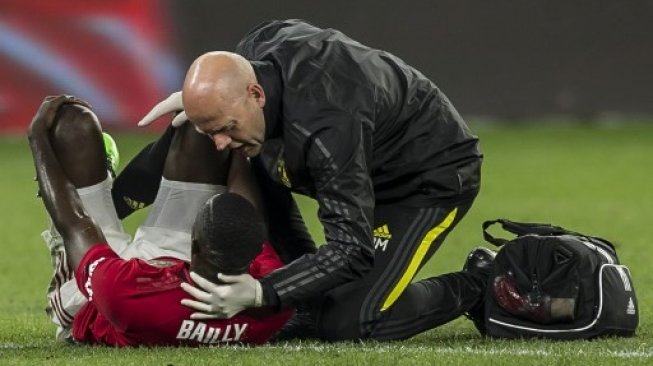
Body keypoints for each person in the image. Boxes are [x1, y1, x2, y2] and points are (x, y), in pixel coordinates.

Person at [122, 19, 490, 341]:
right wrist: (202, 105)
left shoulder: (327, 128)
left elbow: (351, 248)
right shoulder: (253, 60)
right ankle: (308, 302)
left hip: (426, 178)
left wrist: (262, 292)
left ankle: (480, 282)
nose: (220, 142)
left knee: (349, 322)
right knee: (247, 156)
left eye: (227, 126)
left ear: (256, 94)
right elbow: (187, 138)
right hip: (361, 153)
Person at [29, 95, 292, 346]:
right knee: (202, 125)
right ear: (256, 246)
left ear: (195, 242)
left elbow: (74, 223)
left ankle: (99, 178)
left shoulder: (122, 293)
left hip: (107, 297)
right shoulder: (270, 297)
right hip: (171, 273)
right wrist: (232, 134)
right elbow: (247, 211)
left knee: (70, 124)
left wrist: (38, 137)